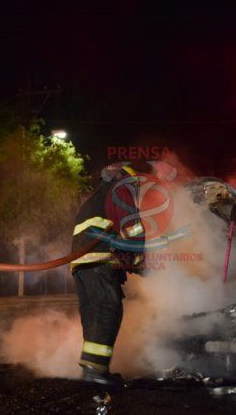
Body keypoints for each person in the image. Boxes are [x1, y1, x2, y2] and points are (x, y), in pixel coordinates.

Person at [70, 162, 147, 386]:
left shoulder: (93, 199)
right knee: (107, 311)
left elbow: (106, 232)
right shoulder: (119, 189)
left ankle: (93, 368)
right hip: (99, 262)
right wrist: (139, 257)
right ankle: (95, 373)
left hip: (81, 266)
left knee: (94, 314)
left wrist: (128, 262)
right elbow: (132, 227)